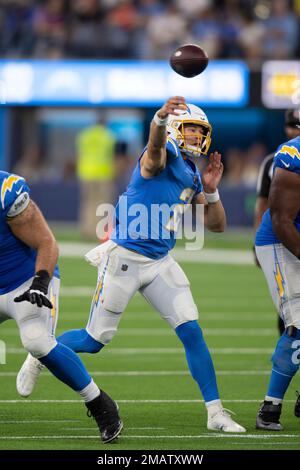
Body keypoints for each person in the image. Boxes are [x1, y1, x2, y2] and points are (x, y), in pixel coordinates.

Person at [56, 96, 246, 433]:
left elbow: (216, 225)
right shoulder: (159, 155)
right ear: (174, 129)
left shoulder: (191, 171)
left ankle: (215, 413)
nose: (195, 137)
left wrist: (213, 192)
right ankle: (42, 350)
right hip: (125, 258)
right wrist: (159, 118)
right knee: (93, 341)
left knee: (191, 331)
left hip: (160, 261)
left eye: (199, 131)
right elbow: (156, 148)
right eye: (190, 130)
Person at [0, 171, 122, 443]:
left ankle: (99, 403)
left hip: (26, 282)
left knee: (37, 341)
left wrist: (40, 283)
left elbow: (46, 242)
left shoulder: (5, 193)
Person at [255, 112, 300, 430]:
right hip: (280, 243)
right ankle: (270, 409)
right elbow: (281, 219)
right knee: (298, 323)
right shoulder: (292, 156)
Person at [254, 109, 300, 336]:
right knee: (292, 316)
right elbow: (265, 207)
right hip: (285, 238)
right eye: (294, 126)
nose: (296, 131)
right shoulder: (281, 158)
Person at [76, 120, 116, 240]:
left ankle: (87, 230)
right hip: (103, 173)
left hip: (86, 172)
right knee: (102, 203)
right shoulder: (108, 135)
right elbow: (112, 155)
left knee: (88, 203)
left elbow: (79, 153)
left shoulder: (84, 135)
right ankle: (101, 230)